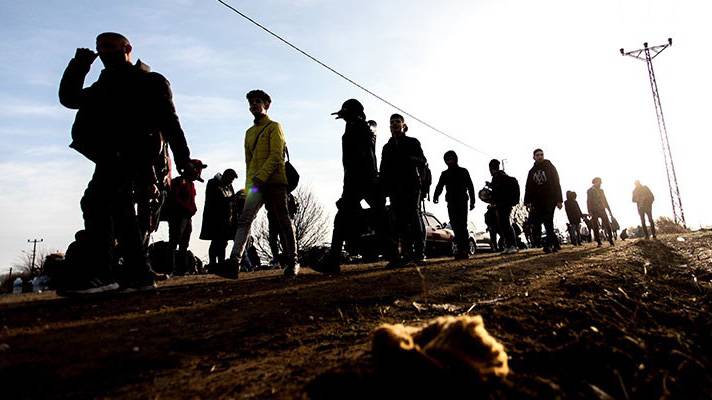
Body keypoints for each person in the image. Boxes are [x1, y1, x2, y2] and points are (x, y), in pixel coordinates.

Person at [58, 32, 194, 294]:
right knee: (118, 211)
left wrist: (183, 160)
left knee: (97, 202)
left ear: (127, 48)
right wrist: (80, 64)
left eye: (109, 46)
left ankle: (103, 272)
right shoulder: (103, 84)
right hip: (109, 155)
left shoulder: (150, 81)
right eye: (100, 47)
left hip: (135, 155)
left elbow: (171, 123)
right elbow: (69, 98)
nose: (104, 51)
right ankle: (138, 274)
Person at [213, 90, 298, 279]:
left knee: (282, 220)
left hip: (275, 182)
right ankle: (234, 262)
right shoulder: (249, 133)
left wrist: (261, 177)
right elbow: (248, 162)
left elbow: (277, 156)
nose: (253, 105)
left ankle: (292, 261)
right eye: (251, 102)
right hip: (256, 184)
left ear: (267, 104)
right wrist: (249, 186)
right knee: (244, 220)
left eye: (257, 101)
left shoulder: (274, 126)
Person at [314, 99, 396, 273]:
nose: (343, 118)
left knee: (346, 220)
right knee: (378, 218)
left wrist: (351, 187)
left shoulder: (358, 128)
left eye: (345, 115)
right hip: (365, 180)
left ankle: (334, 260)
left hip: (359, 181)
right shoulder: (360, 128)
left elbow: (359, 159)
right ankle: (393, 255)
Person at [380, 113, 428, 265]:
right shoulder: (387, 147)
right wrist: (383, 187)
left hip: (412, 186)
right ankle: (404, 254)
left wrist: (409, 160)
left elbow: (423, 161)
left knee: (414, 217)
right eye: (392, 122)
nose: (394, 124)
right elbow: (383, 169)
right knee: (398, 221)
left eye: (397, 121)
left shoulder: (413, 142)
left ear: (403, 125)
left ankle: (420, 253)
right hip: (394, 188)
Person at [432, 151, 475, 259]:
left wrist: (472, 201)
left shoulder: (463, 171)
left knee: (462, 225)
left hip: (462, 201)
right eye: (447, 159)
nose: (450, 161)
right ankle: (460, 249)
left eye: (451, 158)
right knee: (455, 226)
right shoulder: (445, 174)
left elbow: (470, 187)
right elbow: (439, 186)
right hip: (451, 202)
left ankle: (464, 250)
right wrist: (435, 196)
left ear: (456, 159)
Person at [167, 159, 206, 275]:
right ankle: (171, 269)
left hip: (187, 217)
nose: (200, 172)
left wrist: (191, 210)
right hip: (178, 216)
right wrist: (186, 209)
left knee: (184, 243)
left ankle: (181, 270)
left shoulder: (191, 184)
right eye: (198, 169)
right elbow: (174, 198)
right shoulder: (179, 182)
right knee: (174, 241)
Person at [523, 148, 563, 253]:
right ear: (534, 157)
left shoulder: (550, 167)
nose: (540, 156)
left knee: (548, 220)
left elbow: (556, 183)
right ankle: (555, 244)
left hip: (550, 199)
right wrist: (527, 201)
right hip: (538, 201)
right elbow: (529, 187)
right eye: (537, 155)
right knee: (546, 222)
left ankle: (549, 245)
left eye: (541, 154)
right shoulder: (531, 172)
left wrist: (559, 200)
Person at [200, 169, 238, 266]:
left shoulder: (229, 186)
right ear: (226, 176)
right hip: (215, 219)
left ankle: (221, 262)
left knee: (223, 242)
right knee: (216, 241)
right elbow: (214, 200)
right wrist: (231, 199)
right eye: (231, 179)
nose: (231, 182)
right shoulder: (212, 183)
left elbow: (232, 202)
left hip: (226, 219)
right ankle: (212, 263)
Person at [487, 159, 519, 254]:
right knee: (503, 224)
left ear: (491, 169)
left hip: (503, 204)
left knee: (505, 224)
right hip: (503, 204)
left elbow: (498, 191)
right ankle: (509, 245)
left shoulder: (498, 177)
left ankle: (513, 245)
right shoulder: (500, 177)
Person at [267, 193, 298, 267]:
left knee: (283, 240)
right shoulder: (273, 193)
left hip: (282, 219)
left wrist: (290, 215)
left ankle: (286, 259)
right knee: (273, 240)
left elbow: (293, 209)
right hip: (273, 219)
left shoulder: (289, 195)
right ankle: (277, 259)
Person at [587, 177, 615, 247]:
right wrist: (589, 211)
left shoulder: (601, 191)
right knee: (595, 226)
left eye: (600, 182)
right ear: (595, 182)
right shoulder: (590, 191)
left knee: (607, 225)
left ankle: (611, 240)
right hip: (594, 211)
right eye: (599, 182)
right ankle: (598, 241)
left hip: (602, 209)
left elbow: (605, 200)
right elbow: (588, 201)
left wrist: (609, 211)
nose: (600, 184)